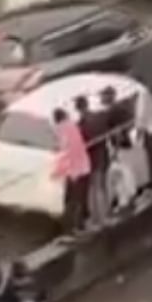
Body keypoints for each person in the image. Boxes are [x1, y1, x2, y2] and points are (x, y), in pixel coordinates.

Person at [52, 108, 92, 232]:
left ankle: (71, 227)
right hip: (84, 166)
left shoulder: (58, 130)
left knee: (70, 201)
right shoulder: (73, 126)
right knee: (80, 198)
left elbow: (63, 149)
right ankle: (80, 225)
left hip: (72, 170)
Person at [76, 93, 112, 225]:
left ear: (78, 109)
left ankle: (98, 218)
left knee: (94, 188)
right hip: (102, 154)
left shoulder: (80, 125)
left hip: (91, 159)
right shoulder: (97, 118)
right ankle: (104, 215)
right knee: (100, 187)